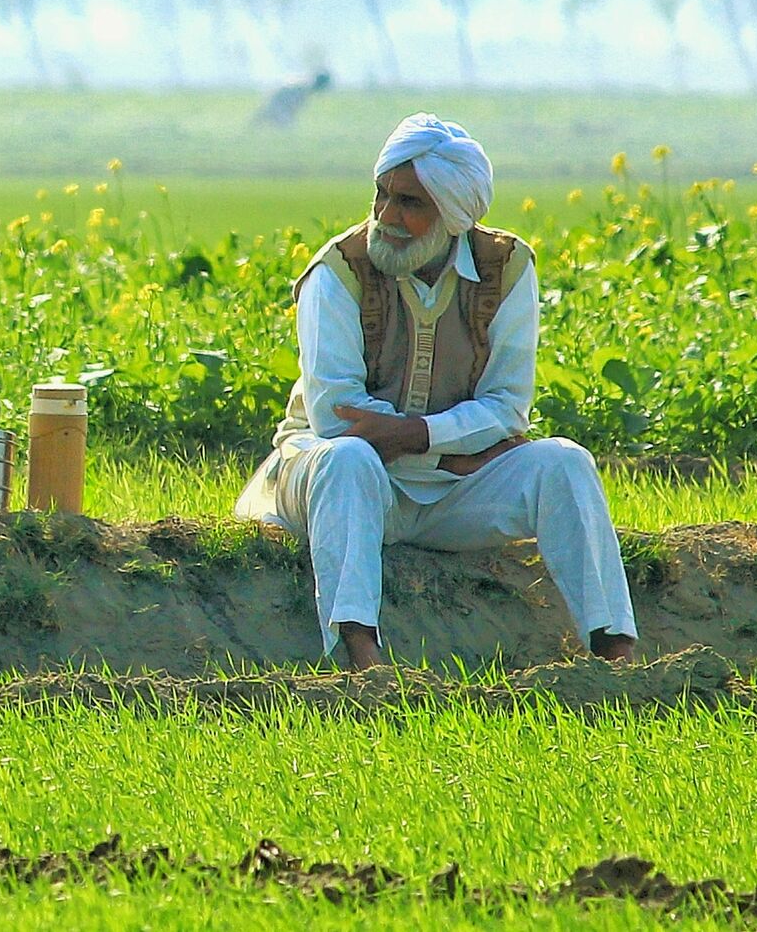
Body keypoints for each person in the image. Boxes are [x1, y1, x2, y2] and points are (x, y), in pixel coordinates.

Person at [236, 112, 637, 668]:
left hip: (451, 490)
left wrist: (423, 438)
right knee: (348, 457)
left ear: (453, 215)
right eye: (382, 195)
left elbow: (508, 407)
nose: (386, 217)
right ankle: (361, 659)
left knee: (564, 462)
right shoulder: (338, 271)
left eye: (410, 203)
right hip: (339, 484)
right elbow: (336, 416)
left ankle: (616, 655)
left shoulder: (508, 268)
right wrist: (459, 447)